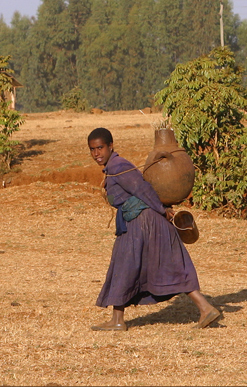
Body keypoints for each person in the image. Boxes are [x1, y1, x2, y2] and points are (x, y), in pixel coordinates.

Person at [87, 127, 220, 331]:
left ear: (111, 146)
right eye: (93, 150)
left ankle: (118, 320)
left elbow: (142, 188)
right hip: (139, 222)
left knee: (127, 265)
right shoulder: (113, 167)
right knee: (159, 264)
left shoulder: (119, 165)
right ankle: (205, 308)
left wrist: (162, 210)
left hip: (143, 222)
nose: (97, 153)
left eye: (100, 148)